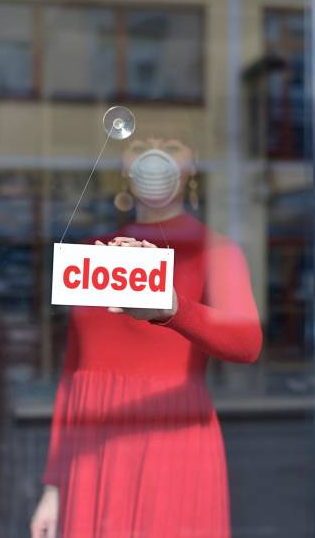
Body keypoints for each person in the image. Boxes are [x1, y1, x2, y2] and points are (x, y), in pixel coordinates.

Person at [30, 122, 263, 538]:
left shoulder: (216, 251)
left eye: (172, 146)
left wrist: (174, 308)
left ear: (193, 167)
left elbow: (246, 343)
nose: (156, 157)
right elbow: (72, 373)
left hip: (171, 437)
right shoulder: (93, 251)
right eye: (141, 146)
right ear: (123, 164)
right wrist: (54, 485)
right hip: (92, 443)